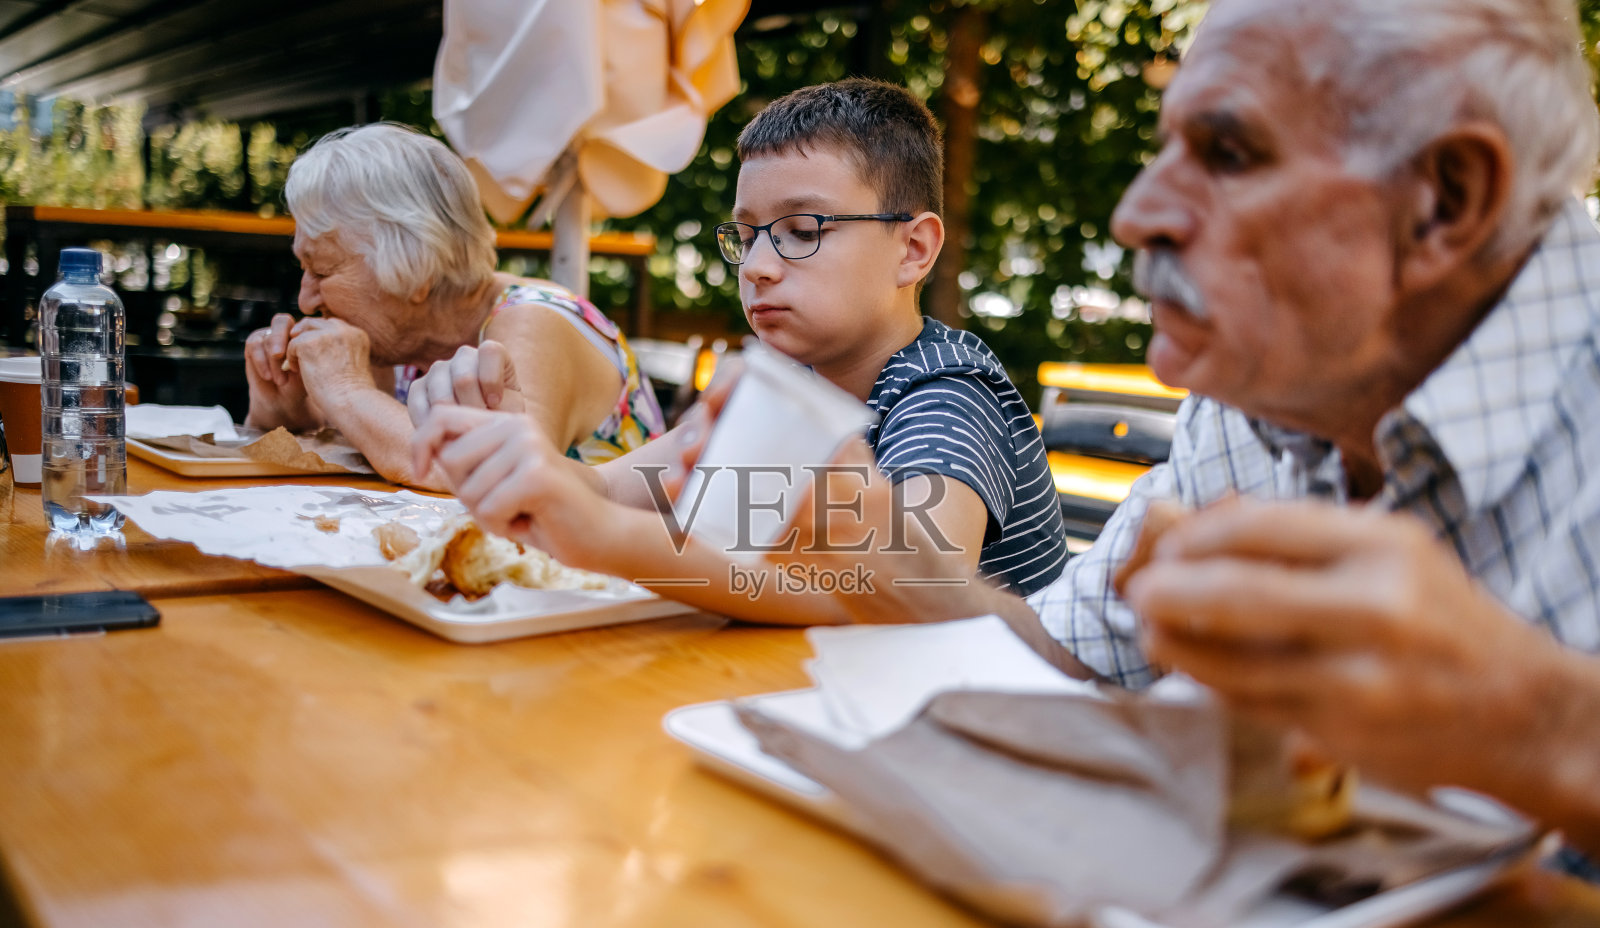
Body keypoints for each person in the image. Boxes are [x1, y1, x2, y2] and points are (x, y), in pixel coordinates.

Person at [768, 0, 1600, 856]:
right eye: (1168, 147)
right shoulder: (1270, 375)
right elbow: (1076, 658)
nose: (1138, 213)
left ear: (1445, 201)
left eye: (1229, 153)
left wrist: (1535, 724)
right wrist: (902, 571)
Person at [410, 79, 1069, 624]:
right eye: (747, 235)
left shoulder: (946, 392)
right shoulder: (786, 382)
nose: (756, 266)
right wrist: (517, 445)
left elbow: (913, 587)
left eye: (801, 231)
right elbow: (612, 485)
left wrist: (612, 541)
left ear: (914, 249)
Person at [243, 123, 664, 487]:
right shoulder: (392, 338)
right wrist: (287, 411)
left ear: (416, 270)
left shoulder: (536, 321)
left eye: (322, 272)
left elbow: (500, 480)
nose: (305, 299)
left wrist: (347, 391)